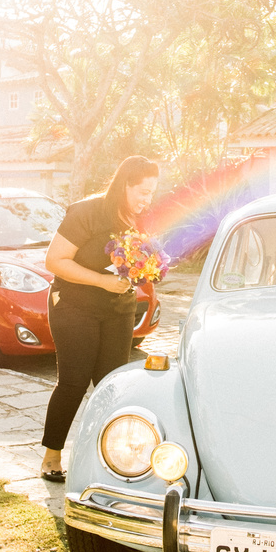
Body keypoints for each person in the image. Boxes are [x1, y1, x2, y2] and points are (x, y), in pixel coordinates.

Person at [39, 156, 159, 482]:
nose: (147, 200)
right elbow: (54, 260)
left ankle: (104, 459)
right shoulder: (86, 212)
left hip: (118, 310)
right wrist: (102, 281)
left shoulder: (137, 220)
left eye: (151, 193)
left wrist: (146, 269)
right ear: (125, 184)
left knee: (111, 386)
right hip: (74, 306)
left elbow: (136, 263)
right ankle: (52, 455)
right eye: (143, 192)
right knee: (74, 381)